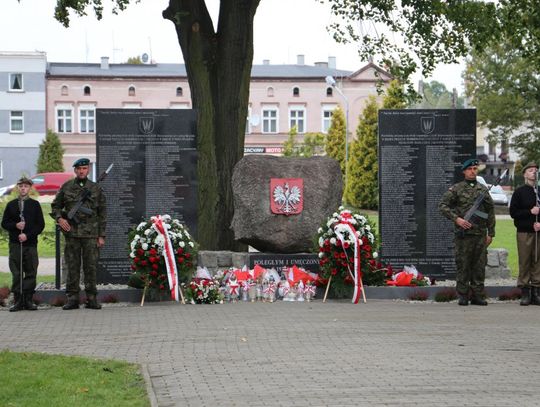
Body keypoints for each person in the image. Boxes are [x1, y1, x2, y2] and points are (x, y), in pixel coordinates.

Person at [51, 158, 106, 310]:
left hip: (90, 235)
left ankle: (91, 298)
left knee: (91, 267)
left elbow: (102, 212)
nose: (82, 171)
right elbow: (55, 206)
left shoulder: (95, 188)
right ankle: (73, 298)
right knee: (72, 266)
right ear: (75, 170)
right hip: (72, 234)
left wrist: (101, 235)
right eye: (79, 169)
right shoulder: (67, 187)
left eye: (85, 168)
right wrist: (60, 219)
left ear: (88, 170)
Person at [439, 158, 496, 306]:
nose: (472, 171)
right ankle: (463, 295)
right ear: (464, 171)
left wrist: (491, 233)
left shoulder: (483, 190)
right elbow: (443, 205)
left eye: (475, 169)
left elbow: (490, 211)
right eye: (470, 169)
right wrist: (457, 219)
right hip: (463, 236)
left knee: (479, 266)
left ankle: (478, 295)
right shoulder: (457, 189)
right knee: (463, 266)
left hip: (480, 235)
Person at [1, 176, 45, 312]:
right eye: (21, 186)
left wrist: (27, 235)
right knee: (17, 272)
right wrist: (16, 225)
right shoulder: (11, 205)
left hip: (30, 244)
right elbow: (4, 223)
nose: (23, 188)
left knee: (31, 271)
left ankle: (28, 299)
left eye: (26, 186)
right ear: (18, 188)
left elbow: (40, 225)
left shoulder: (35, 205)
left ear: (30, 188)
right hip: (15, 244)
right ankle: (18, 300)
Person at [509, 162, 540, 306]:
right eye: (531, 170)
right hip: (524, 232)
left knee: (538, 262)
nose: (534, 172)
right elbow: (514, 213)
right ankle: (525, 291)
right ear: (525, 174)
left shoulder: (539, 191)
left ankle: (536, 291)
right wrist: (530, 212)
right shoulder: (519, 192)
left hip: (538, 232)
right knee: (525, 261)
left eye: (536, 171)